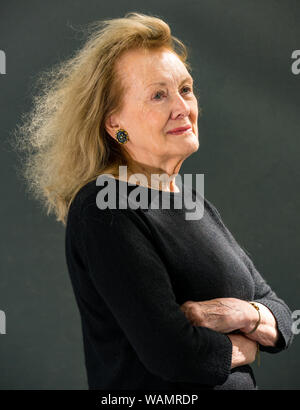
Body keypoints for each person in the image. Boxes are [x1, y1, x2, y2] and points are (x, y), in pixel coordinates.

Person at [15, 12, 293, 390]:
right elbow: (176, 355)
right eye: (158, 95)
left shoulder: (191, 201)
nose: (182, 107)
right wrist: (248, 344)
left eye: (186, 89)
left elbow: (278, 312)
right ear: (115, 124)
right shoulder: (105, 207)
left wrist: (238, 312)